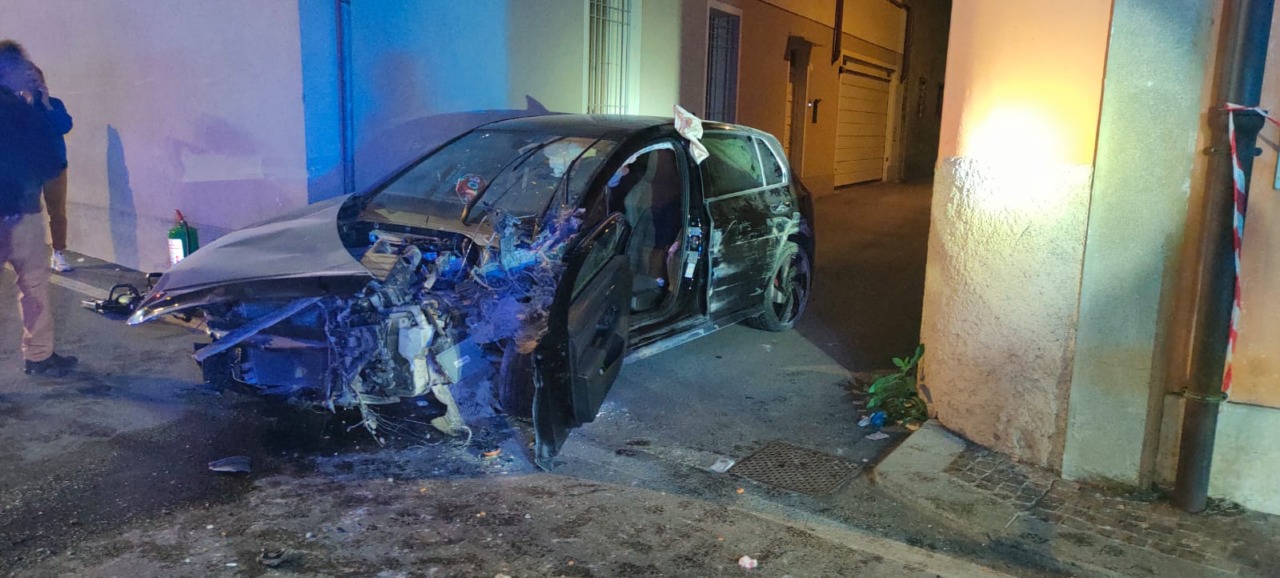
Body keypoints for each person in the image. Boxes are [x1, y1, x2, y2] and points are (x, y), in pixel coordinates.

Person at [0, 40, 77, 376]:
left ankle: (41, 355)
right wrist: (36, 107)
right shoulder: (16, 109)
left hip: (23, 210)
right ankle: (39, 356)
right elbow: (48, 158)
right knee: (33, 285)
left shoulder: (21, 105)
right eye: (21, 67)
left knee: (34, 283)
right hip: (17, 210)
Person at [32, 66, 72, 272]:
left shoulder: (54, 104)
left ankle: (58, 253)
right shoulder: (17, 107)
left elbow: (65, 126)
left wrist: (47, 104)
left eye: (37, 80)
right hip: (27, 168)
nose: (34, 85)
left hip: (55, 166)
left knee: (57, 212)